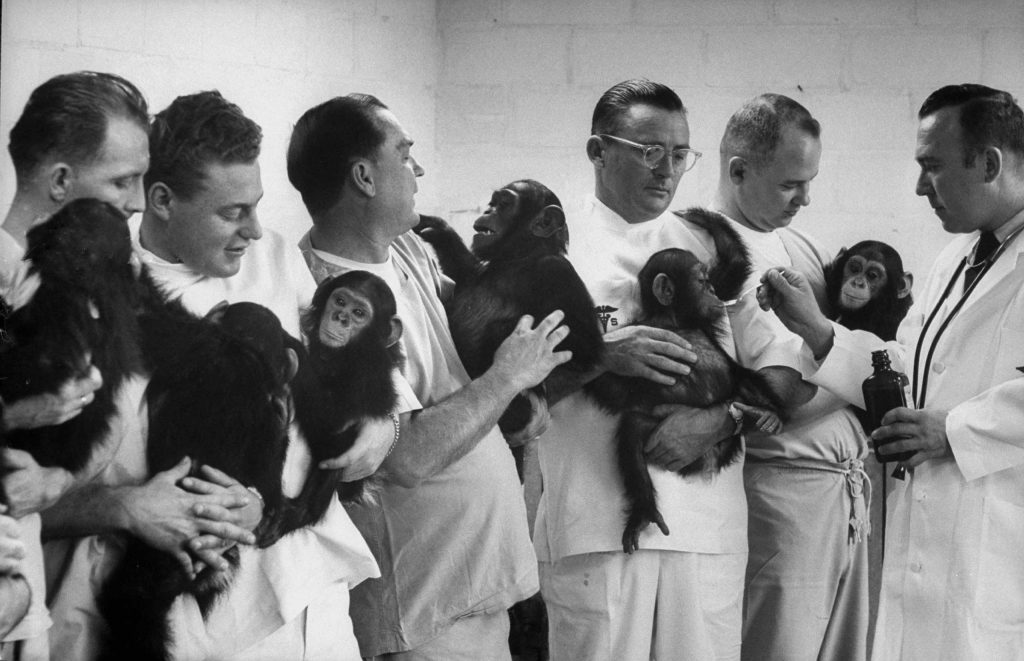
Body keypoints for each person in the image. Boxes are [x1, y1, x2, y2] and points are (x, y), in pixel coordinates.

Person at [42, 90, 383, 660]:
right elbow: (25, 497)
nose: (254, 229)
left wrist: (369, 435)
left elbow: (353, 405)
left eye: (256, 205)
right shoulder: (90, 292)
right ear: (162, 200)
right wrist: (125, 506)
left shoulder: (277, 260)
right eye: (232, 212)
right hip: (155, 607)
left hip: (297, 599)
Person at [287, 93, 570, 660]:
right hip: (423, 609)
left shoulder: (407, 250)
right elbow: (405, 455)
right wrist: (507, 380)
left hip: (477, 584)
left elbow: (467, 353)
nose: (417, 169)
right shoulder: (326, 303)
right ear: (365, 177)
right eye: (404, 153)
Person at [758, 84, 1024, 660]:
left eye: (932, 167)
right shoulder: (955, 258)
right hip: (925, 531)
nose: (919, 186)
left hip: (999, 539)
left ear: (989, 162)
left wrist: (953, 429)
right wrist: (818, 330)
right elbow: (901, 365)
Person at [532, 78, 746, 661]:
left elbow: (781, 375)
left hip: (705, 523)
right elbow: (506, 395)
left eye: (680, 155)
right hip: (594, 524)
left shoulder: (708, 248)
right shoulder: (551, 252)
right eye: (650, 151)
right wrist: (601, 354)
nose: (668, 170)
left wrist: (721, 419)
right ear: (598, 151)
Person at [713, 94, 873, 660]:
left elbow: (844, 358)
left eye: (809, 182)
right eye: (789, 185)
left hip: (842, 492)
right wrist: (866, 372)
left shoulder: (794, 243)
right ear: (739, 171)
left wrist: (851, 363)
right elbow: (778, 400)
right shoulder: (713, 250)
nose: (804, 199)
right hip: (785, 499)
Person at [0, 71, 149, 660]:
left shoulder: (86, 290)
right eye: (122, 181)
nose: (136, 202)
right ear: (61, 180)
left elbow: (90, 430)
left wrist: (55, 481)